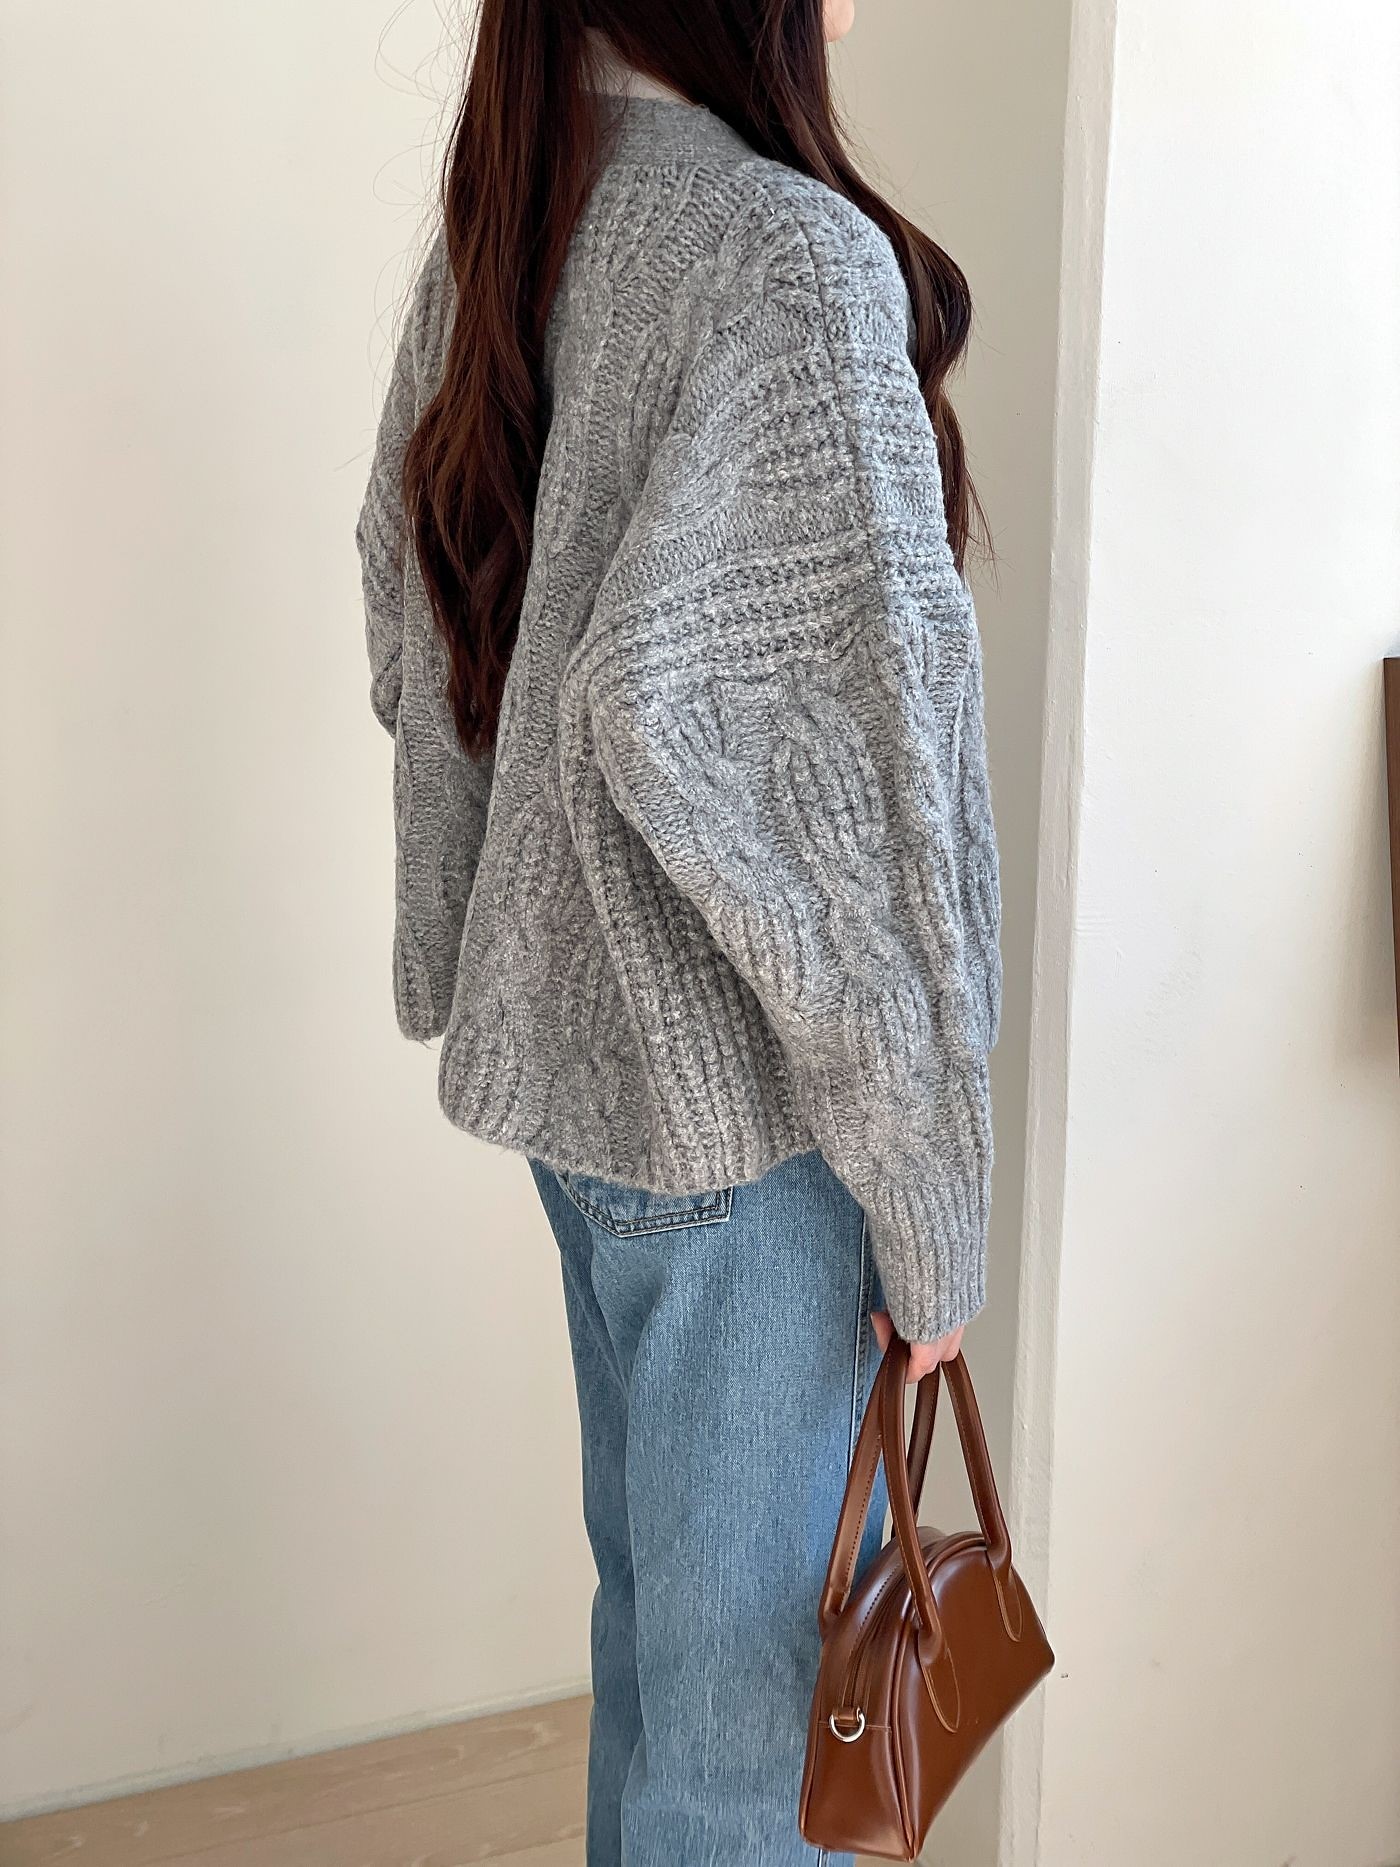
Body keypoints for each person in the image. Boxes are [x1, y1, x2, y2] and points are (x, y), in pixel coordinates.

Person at [357, 4, 1000, 1860]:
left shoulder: (525, 203)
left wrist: (484, 928)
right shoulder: (781, 257)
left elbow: (410, 606)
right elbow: (849, 809)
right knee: (746, 1759)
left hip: (590, 1109)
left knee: (662, 1663)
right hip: (748, 1133)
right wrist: (930, 1201)